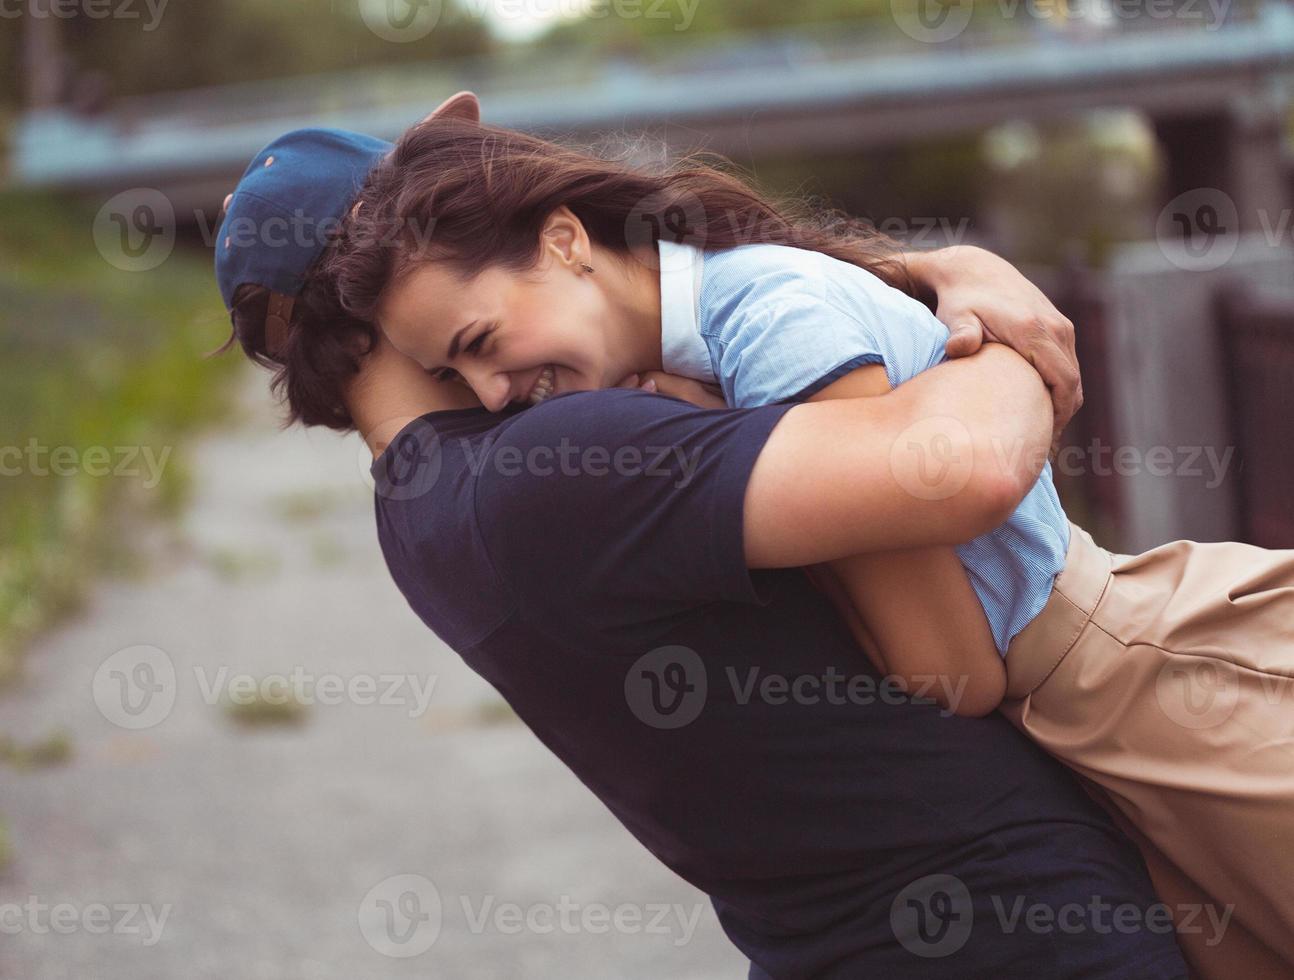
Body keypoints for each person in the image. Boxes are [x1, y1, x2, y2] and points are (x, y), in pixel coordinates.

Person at [330, 97, 1294, 978]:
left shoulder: (769, 329)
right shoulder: (699, 355)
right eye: (457, 381)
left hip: (1133, 688)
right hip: (1094, 707)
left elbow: (949, 668)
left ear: (565, 240)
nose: (495, 400)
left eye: (482, 345)